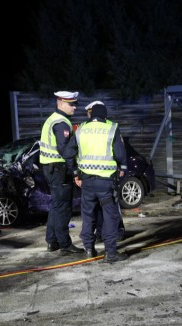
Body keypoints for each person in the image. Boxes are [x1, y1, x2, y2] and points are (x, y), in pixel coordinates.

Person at [64, 102, 128, 262]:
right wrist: (121, 167)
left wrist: (75, 173)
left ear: (91, 115)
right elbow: (120, 155)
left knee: (88, 216)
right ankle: (110, 253)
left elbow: (68, 153)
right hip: (106, 182)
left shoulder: (81, 129)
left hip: (87, 183)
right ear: (104, 116)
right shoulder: (111, 128)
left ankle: (89, 249)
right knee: (110, 217)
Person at [39, 91, 83, 256]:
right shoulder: (61, 123)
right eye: (71, 104)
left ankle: (52, 241)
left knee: (56, 206)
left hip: (51, 168)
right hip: (59, 169)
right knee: (63, 207)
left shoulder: (52, 119)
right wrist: (75, 170)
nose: (74, 107)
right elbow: (64, 150)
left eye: (75, 104)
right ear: (61, 103)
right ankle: (65, 243)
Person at [84, 101, 125, 242]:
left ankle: (117, 231)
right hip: (98, 176)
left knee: (112, 208)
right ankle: (102, 234)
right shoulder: (85, 127)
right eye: (88, 112)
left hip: (108, 174)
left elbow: (119, 150)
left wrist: (121, 168)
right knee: (100, 209)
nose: (89, 114)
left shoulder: (111, 127)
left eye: (91, 112)